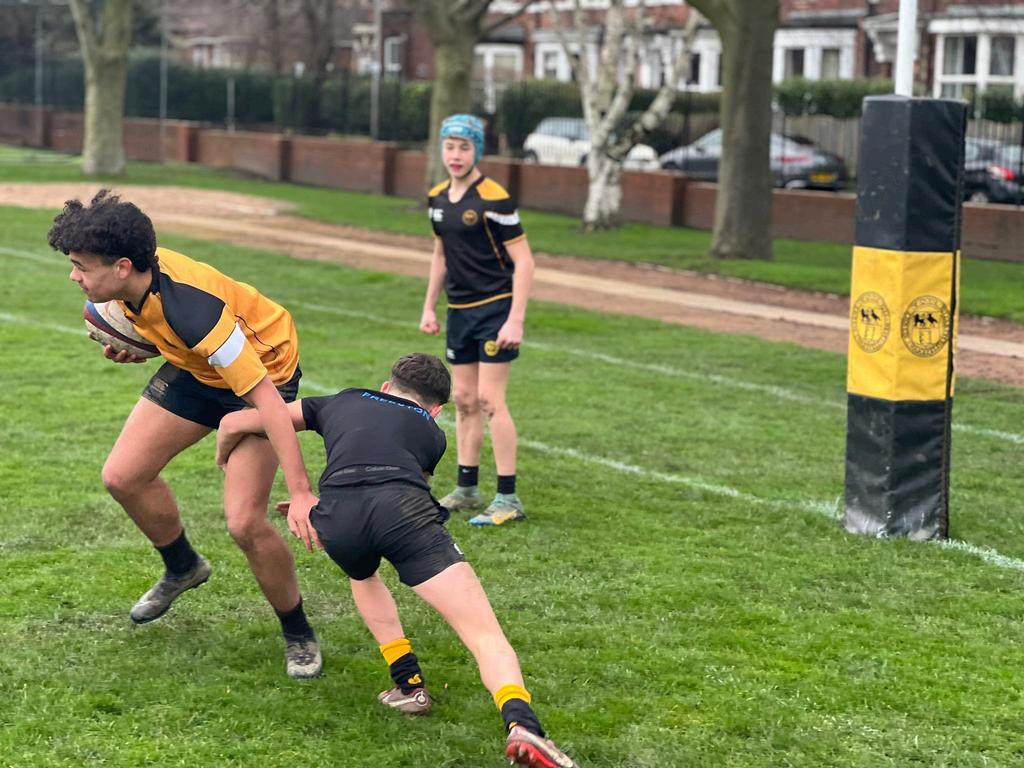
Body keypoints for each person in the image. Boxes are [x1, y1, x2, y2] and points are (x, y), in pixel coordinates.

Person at [216, 353, 577, 768]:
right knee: (483, 633)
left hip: (338, 515)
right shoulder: (434, 434)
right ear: (436, 410)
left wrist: (224, 457)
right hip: (402, 511)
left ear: (386, 387)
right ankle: (523, 726)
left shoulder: (342, 399)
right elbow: (410, 487)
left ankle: (408, 685)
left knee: (362, 574)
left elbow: (235, 423)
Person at [48, 189, 322, 679]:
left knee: (244, 523)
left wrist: (301, 491)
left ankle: (297, 631)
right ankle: (183, 566)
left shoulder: (194, 311)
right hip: (199, 369)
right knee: (122, 476)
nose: (74, 276)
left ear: (122, 267)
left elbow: (268, 403)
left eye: (80, 266)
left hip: (264, 377)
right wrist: (140, 346)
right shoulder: (131, 284)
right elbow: (166, 330)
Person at [419, 113, 536, 526]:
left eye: (464, 147)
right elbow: (440, 256)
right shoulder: (437, 199)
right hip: (460, 312)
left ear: (477, 151)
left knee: (489, 400)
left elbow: (524, 262)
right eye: (449, 146)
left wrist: (515, 320)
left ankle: (508, 499)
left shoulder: (494, 199)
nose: (456, 155)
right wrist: (429, 307)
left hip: (495, 309)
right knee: (465, 400)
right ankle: (467, 489)